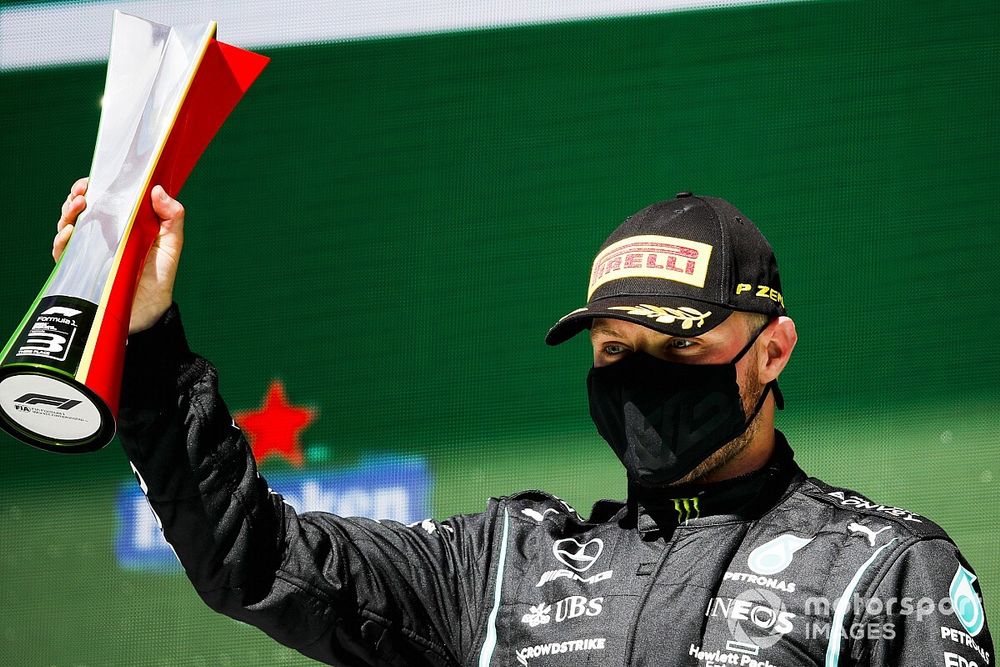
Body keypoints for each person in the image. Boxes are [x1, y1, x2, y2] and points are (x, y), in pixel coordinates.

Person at [56, 180, 993, 666]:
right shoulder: (504, 566)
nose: (644, 379)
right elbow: (252, 560)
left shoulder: (886, 569)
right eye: (617, 353)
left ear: (774, 348)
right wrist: (145, 340)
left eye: (678, 349)